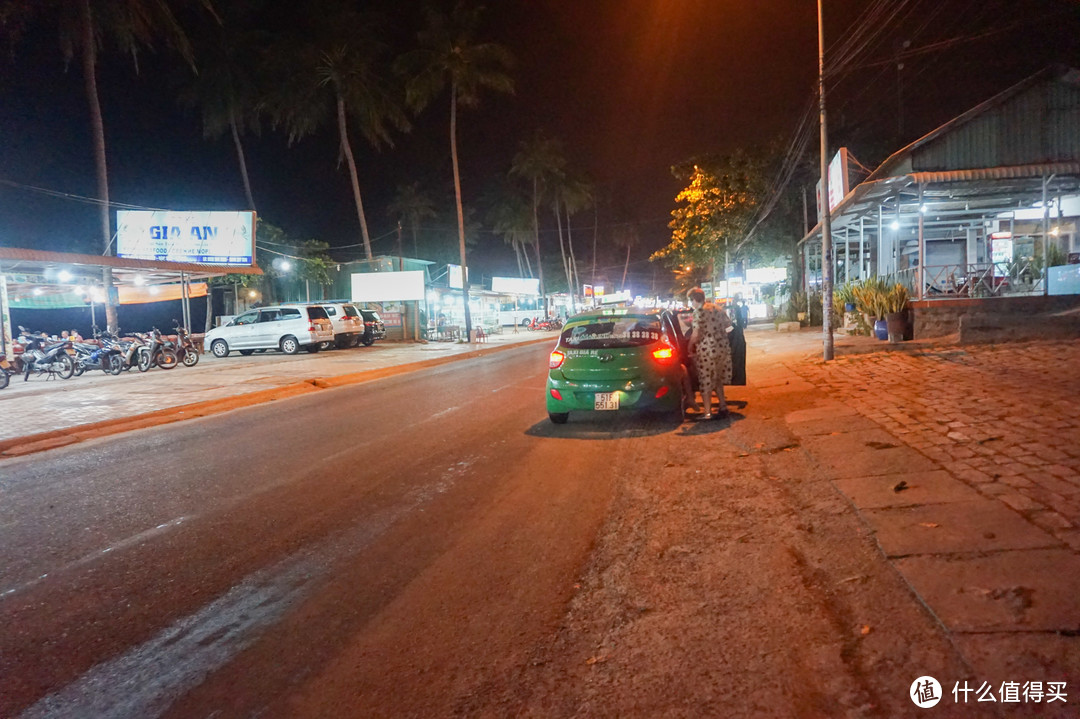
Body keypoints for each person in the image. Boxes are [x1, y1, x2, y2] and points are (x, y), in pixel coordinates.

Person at [687, 286, 733, 420]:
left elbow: (695, 334)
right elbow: (729, 326)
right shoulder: (718, 309)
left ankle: (707, 413)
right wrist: (720, 335)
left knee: (706, 379)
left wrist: (689, 347)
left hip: (707, 350)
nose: (691, 304)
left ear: (695, 299)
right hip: (722, 348)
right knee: (717, 378)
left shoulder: (698, 312)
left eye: (691, 301)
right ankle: (723, 407)